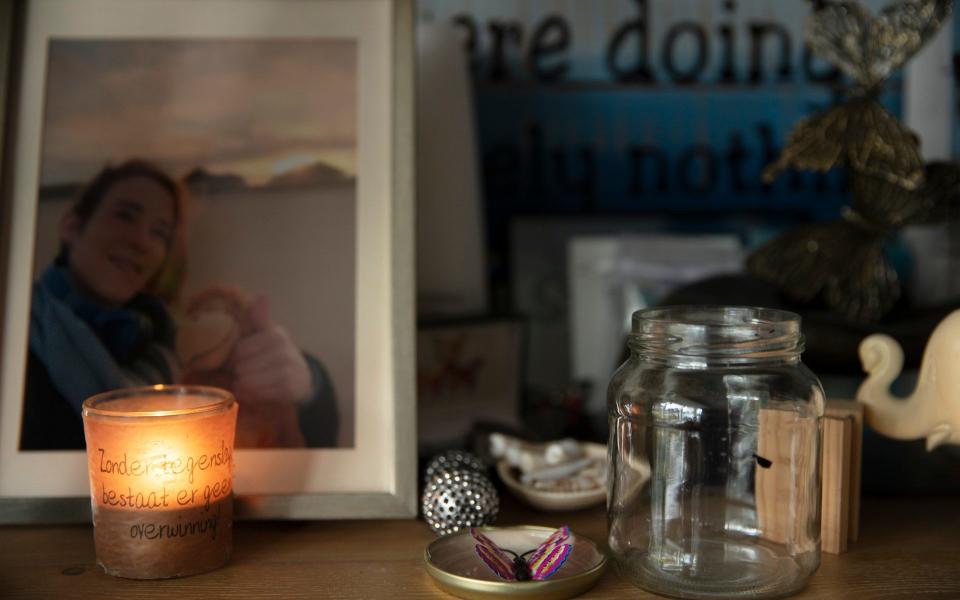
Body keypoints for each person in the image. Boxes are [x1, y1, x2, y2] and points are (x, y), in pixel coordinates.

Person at [20, 159, 338, 450]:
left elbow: (310, 449)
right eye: (125, 215)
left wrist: (307, 384)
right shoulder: (19, 335)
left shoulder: (173, 341)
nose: (142, 241)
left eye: (159, 233)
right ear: (73, 226)